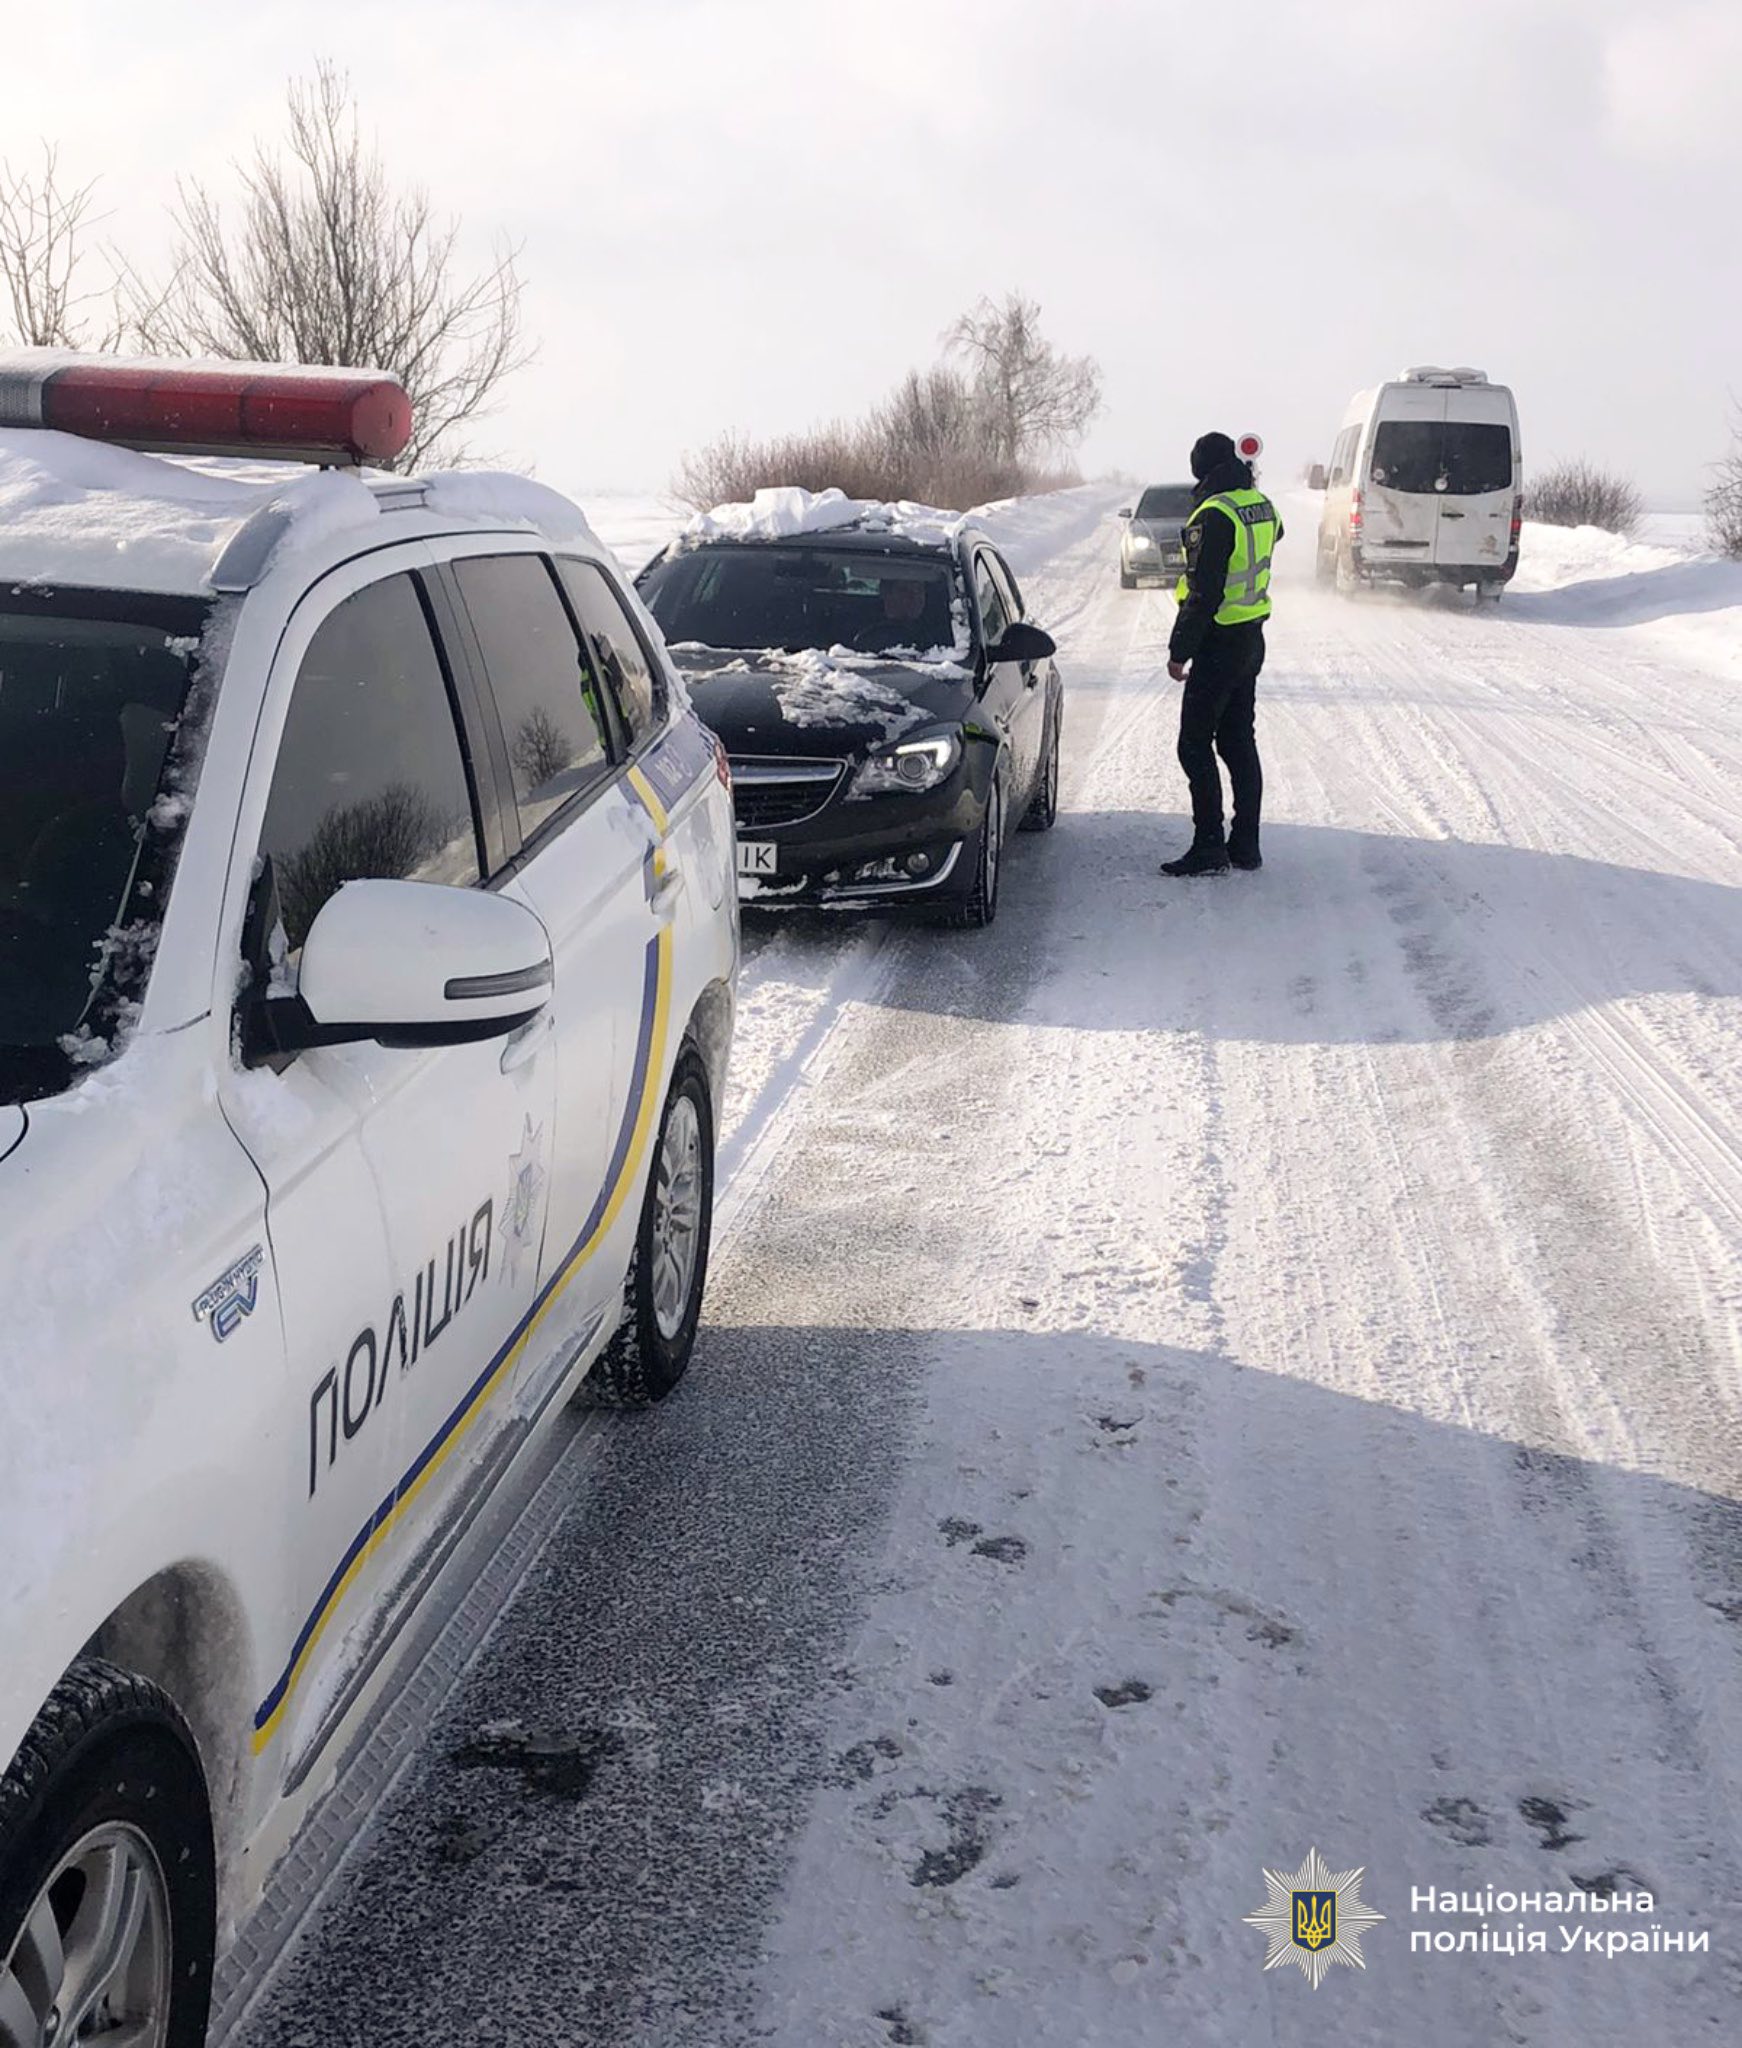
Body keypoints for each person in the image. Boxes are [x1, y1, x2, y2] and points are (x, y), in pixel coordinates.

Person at [1161, 431, 1282, 876]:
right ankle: (1245, 846)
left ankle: (1209, 845)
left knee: (1194, 745)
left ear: (1203, 471)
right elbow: (1278, 534)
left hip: (1218, 643)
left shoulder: (1213, 514)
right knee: (1237, 742)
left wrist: (1179, 651)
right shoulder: (1259, 504)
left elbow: (1204, 594)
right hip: (1252, 639)